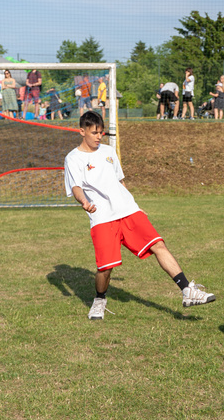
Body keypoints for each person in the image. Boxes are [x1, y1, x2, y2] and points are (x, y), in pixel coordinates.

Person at [64, 111, 216, 319]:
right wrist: (84, 202)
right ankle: (99, 300)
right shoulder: (73, 158)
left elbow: (120, 181)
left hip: (128, 211)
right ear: (82, 131)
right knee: (105, 268)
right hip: (102, 218)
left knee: (159, 245)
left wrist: (134, 205)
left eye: (101, 133)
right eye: (94, 133)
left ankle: (187, 291)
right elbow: (76, 187)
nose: (99, 137)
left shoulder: (108, 151)